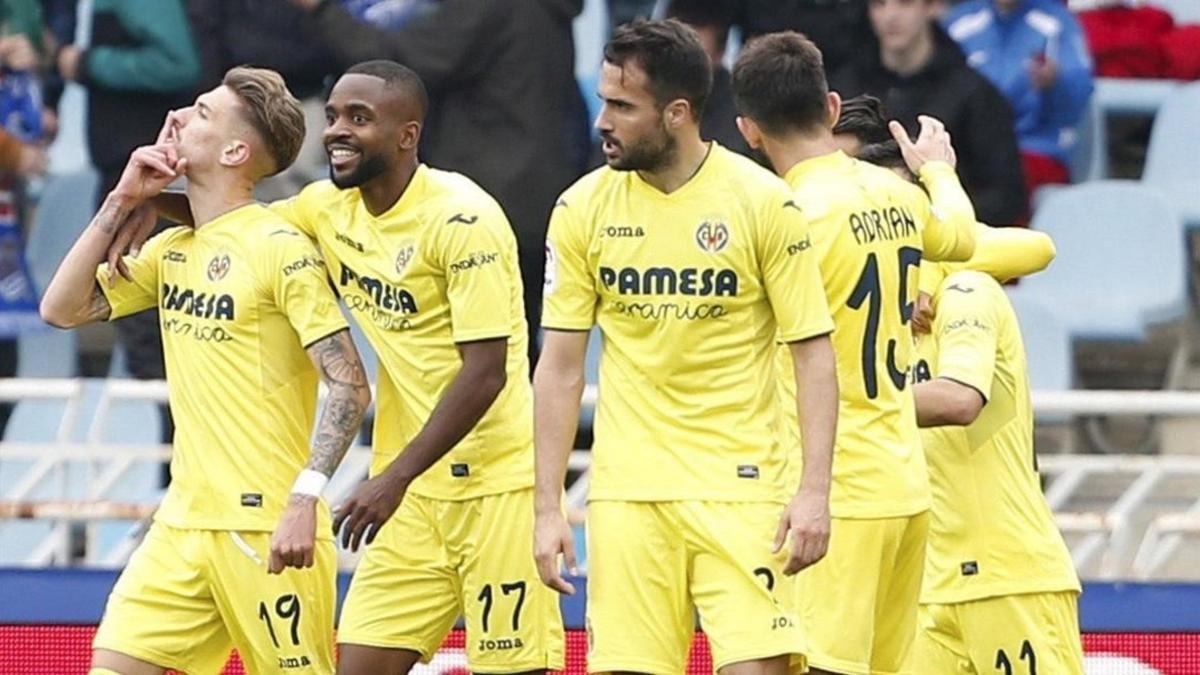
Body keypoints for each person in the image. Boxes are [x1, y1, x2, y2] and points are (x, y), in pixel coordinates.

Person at [150, 59, 566, 675]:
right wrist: (145, 194)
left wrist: (389, 479)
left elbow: (486, 373)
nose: (337, 130)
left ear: (408, 135)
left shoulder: (463, 219)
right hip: (409, 501)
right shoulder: (325, 209)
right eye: (336, 114)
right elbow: (234, 228)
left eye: (360, 118)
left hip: (494, 489)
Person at [40, 66, 371, 675]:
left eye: (199, 112)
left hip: (268, 527)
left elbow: (349, 380)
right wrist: (123, 199)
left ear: (235, 150)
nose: (177, 120)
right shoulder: (172, 250)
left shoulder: (278, 247)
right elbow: (60, 308)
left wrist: (306, 498)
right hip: (181, 525)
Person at [534, 20, 839, 675]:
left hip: (744, 491)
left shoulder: (762, 202)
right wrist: (547, 505)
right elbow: (558, 369)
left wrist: (814, 491)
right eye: (604, 102)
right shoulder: (581, 208)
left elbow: (813, 353)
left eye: (622, 106)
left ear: (677, 113)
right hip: (627, 495)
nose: (602, 122)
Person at [731, 32, 976, 675]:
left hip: (831, 494)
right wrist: (939, 168)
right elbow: (962, 236)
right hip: (904, 487)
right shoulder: (897, 193)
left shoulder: (784, 214)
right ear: (833, 107)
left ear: (749, 131)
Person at [286, 0, 591, 369]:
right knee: (510, 351)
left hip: (481, 203)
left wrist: (321, 10)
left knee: (471, 361)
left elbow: (396, 74)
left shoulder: (488, 8)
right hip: (531, 193)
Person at [910, 254, 1084, 674]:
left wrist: (843, 403)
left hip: (1008, 577)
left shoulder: (967, 292)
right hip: (928, 586)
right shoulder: (883, 321)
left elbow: (960, 400)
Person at [831, 0, 1027, 224]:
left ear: (932, 7)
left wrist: (935, 218)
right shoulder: (845, 88)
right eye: (879, 4)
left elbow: (1006, 194)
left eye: (905, 4)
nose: (890, 15)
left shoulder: (974, 94)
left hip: (947, 242)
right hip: (858, 231)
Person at [943, 0, 1094, 197]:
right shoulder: (958, 23)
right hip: (967, 151)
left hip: (1035, 148)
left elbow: (1080, 94)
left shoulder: (1059, 23)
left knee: (1001, 182)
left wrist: (1056, 82)